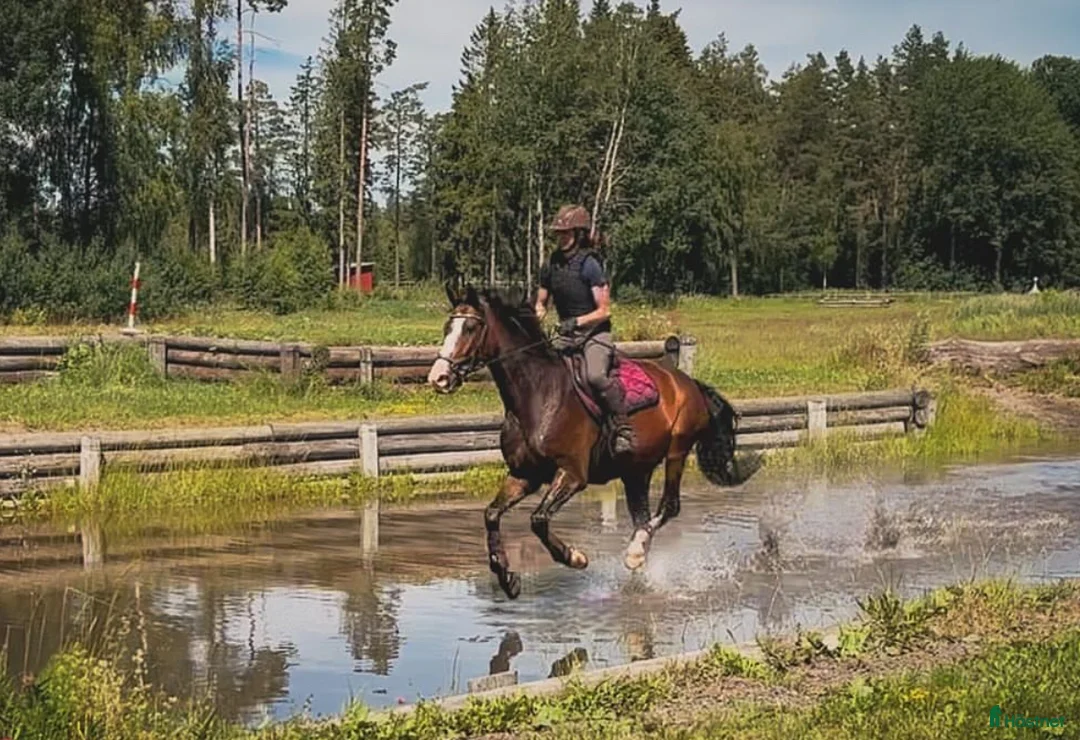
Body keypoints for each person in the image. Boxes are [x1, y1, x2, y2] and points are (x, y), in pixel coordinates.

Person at [535, 204, 635, 455]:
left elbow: (604, 310)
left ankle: (623, 427)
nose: (561, 237)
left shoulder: (590, 265)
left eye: (565, 233)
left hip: (595, 334)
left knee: (595, 376)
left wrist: (577, 322)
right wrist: (535, 318)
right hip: (566, 336)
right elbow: (541, 303)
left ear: (578, 234)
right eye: (558, 233)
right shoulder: (551, 264)